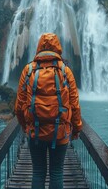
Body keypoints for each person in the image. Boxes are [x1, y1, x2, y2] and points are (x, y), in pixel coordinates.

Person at [15, 33, 82, 189]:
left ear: (39, 47)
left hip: (35, 131)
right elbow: (74, 104)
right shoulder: (65, 71)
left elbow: (19, 105)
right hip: (60, 132)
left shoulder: (28, 70)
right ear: (58, 47)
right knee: (57, 172)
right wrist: (76, 128)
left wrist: (25, 125)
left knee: (38, 172)